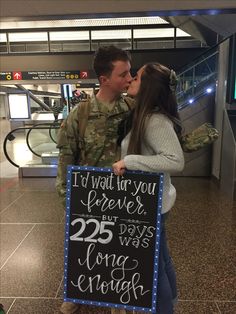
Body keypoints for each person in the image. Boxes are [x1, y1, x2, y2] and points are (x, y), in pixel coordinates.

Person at [56, 45, 133, 314]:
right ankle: (76, 291)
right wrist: (66, 196)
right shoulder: (81, 113)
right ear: (104, 79)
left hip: (124, 195)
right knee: (82, 245)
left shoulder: (132, 109)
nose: (129, 79)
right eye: (124, 74)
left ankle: (116, 297)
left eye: (130, 73)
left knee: (119, 247)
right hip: (88, 195)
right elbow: (67, 156)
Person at [112, 63, 185, 314]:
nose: (131, 79)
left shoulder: (154, 120)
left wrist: (129, 161)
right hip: (154, 204)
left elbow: (175, 160)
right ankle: (170, 303)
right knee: (161, 260)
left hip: (149, 207)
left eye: (138, 77)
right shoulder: (146, 115)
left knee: (151, 269)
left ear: (149, 87)